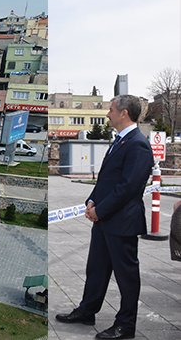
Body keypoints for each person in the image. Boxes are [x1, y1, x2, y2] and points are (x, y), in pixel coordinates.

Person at [55, 95, 154, 340]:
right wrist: (92, 200)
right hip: (105, 221)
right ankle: (87, 311)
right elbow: (107, 180)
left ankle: (126, 325)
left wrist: (101, 209)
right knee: (96, 270)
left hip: (122, 222)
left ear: (124, 113)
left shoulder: (137, 144)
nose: (107, 114)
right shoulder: (120, 141)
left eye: (110, 109)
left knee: (126, 277)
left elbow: (129, 186)